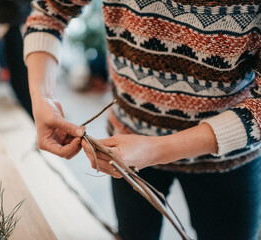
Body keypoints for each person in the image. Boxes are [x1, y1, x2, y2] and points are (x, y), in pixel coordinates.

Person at [23, 0, 261, 239]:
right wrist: (42, 97)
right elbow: (49, 13)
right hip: (126, 153)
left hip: (229, 160)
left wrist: (158, 149)